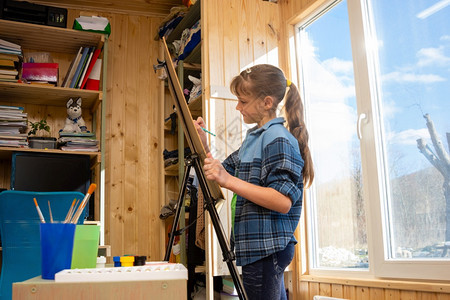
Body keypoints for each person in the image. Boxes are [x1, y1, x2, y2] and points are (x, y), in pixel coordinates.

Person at [194, 64, 314, 300]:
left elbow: (282, 201)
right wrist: (202, 143)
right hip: (257, 248)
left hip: (267, 249)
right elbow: (221, 171)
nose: (238, 107)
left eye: (243, 101)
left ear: (267, 103)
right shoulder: (255, 137)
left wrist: (228, 180)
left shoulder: (278, 139)